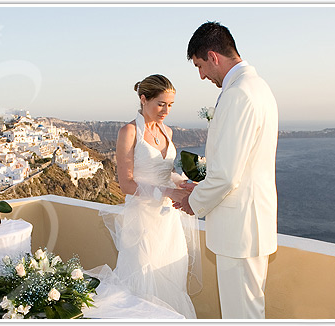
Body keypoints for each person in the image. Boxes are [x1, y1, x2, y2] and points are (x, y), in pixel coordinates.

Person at [175, 21, 279, 319]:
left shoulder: (239, 94)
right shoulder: (258, 87)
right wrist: (203, 188)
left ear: (213, 56)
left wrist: (193, 202)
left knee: (240, 315)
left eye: (200, 66)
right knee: (247, 310)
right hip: (249, 223)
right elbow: (241, 167)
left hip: (240, 229)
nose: (202, 75)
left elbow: (227, 175)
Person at [102, 74, 202, 318]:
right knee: (142, 276)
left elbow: (166, 172)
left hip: (168, 222)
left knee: (171, 277)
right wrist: (169, 192)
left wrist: (186, 183)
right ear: (143, 99)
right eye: (161, 104)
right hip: (142, 220)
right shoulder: (129, 131)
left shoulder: (167, 131)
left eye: (170, 105)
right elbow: (126, 183)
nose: (166, 110)